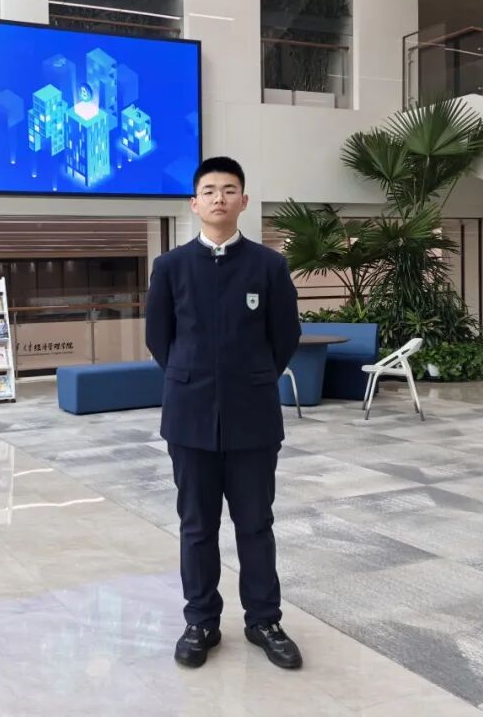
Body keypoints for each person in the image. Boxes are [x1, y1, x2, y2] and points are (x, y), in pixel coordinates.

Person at [145, 156, 302, 670]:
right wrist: (191, 376)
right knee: (196, 526)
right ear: (195, 203)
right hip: (189, 417)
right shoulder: (170, 267)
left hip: (253, 417)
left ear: (244, 201)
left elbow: (285, 336)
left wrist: (252, 377)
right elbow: (159, 338)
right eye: (209, 190)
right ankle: (200, 622)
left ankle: (264, 620)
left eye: (229, 189)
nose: (219, 197)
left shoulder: (269, 266)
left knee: (255, 524)